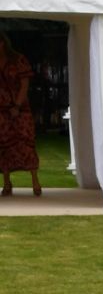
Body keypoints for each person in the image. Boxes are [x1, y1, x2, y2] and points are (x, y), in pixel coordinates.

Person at [0, 32, 43, 197]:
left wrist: (17, 105)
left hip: (20, 109)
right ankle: (6, 183)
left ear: (3, 43)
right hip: (1, 111)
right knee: (4, 145)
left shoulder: (18, 60)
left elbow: (25, 85)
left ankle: (35, 181)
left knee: (25, 143)